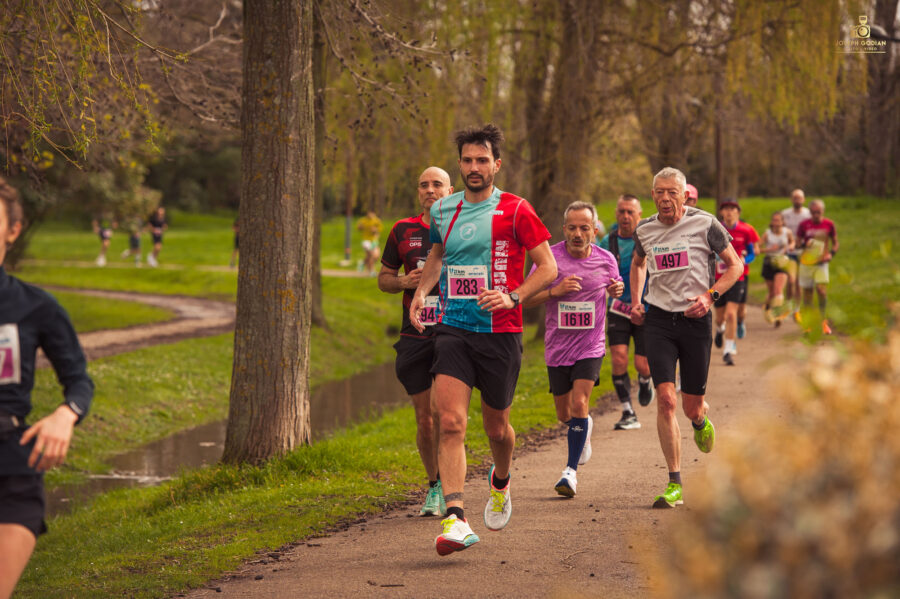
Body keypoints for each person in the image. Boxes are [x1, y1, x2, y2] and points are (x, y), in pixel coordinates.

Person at [409, 124, 556, 555]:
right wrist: (421, 292)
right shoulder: (443, 210)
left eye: (482, 160)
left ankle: (501, 478)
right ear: (460, 164)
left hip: (501, 333)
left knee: (498, 429)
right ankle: (455, 517)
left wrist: (512, 295)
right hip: (454, 328)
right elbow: (438, 254)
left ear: (497, 164)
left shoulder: (515, 210)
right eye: (467, 161)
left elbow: (547, 268)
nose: (474, 168)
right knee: (450, 421)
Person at [0, 177, 94, 599]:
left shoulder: (36, 307)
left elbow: (78, 381)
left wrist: (65, 414)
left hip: (11, 473)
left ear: (12, 230)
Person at [629, 167, 741, 509]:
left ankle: (700, 419)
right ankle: (674, 481)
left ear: (684, 195)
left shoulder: (706, 224)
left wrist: (710, 297)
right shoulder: (645, 229)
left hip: (696, 320)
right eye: (659, 192)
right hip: (659, 320)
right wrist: (636, 300)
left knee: (690, 406)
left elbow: (734, 265)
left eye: (671, 193)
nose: (665, 198)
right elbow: (637, 263)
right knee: (666, 400)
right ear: (652, 195)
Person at [522, 201, 622, 498]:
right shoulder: (549, 260)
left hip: (590, 345)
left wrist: (615, 291)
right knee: (565, 414)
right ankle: (583, 427)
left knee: (580, 403)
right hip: (557, 347)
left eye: (585, 228)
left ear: (595, 229)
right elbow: (525, 299)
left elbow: (614, 288)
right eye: (573, 228)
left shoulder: (606, 259)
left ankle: (570, 473)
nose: (578, 233)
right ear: (563, 229)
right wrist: (556, 290)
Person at [378, 166, 454, 516]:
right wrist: (404, 284)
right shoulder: (402, 230)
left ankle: (453, 481)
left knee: (445, 413)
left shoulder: (463, 228)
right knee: (425, 419)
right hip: (415, 332)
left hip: (453, 330)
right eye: (423, 184)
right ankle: (435, 487)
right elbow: (384, 279)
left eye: (437, 184)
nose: (430, 190)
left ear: (449, 189)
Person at [598, 195, 654, 431]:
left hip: (644, 309)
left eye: (630, 212)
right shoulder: (606, 242)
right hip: (618, 309)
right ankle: (627, 411)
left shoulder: (649, 240)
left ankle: (645, 380)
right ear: (616, 214)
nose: (625, 216)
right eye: (621, 211)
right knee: (619, 359)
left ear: (639, 215)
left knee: (643, 364)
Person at [712, 198, 759, 365]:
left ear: (738, 212)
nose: (729, 212)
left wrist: (742, 261)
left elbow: (754, 252)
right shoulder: (715, 228)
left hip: (737, 277)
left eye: (733, 209)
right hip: (718, 279)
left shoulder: (746, 230)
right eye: (726, 208)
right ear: (722, 212)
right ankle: (720, 329)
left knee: (732, 313)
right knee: (719, 318)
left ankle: (728, 350)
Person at [796, 199, 838, 335]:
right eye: (813, 212)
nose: (815, 214)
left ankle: (823, 321)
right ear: (810, 212)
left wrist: (831, 254)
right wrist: (804, 244)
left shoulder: (829, 224)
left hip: (821, 263)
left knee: (821, 291)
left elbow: (835, 243)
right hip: (807, 264)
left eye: (818, 212)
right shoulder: (803, 225)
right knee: (807, 295)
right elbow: (796, 244)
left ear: (822, 211)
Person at [759, 211, 796, 326]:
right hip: (769, 262)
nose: (776, 223)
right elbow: (757, 249)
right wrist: (770, 249)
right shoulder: (767, 234)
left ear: (782, 222)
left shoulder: (787, 232)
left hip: (782, 262)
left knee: (778, 290)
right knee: (771, 294)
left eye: (778, 220)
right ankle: (768, 305)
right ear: (772, 222)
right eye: (774, 220)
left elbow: (792, 241)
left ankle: (778, 315)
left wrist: (790, 246)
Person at [781, 189, 811, 320]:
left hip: (803, 252)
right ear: (791, 199)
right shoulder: (785, 214)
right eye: (795, 198)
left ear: (803, 200)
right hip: (789, 251)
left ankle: (797, 309)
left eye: (799, 198)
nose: (797, 200)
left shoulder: (808, 214)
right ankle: (788, 306)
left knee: (799, 282)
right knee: (790, 281)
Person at [357, 210, 383, 276]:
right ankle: (372, 271)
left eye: (372, 213)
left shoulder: (377, 221)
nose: (370, 215)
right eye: (369, 213)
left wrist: (375, 231)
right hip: (366, 241)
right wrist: (360, 227)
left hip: (374, 241)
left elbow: (379, 231)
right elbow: (358, 228)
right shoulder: (363, 220)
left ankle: (362, 263)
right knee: (371, 255)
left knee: (376, 256)